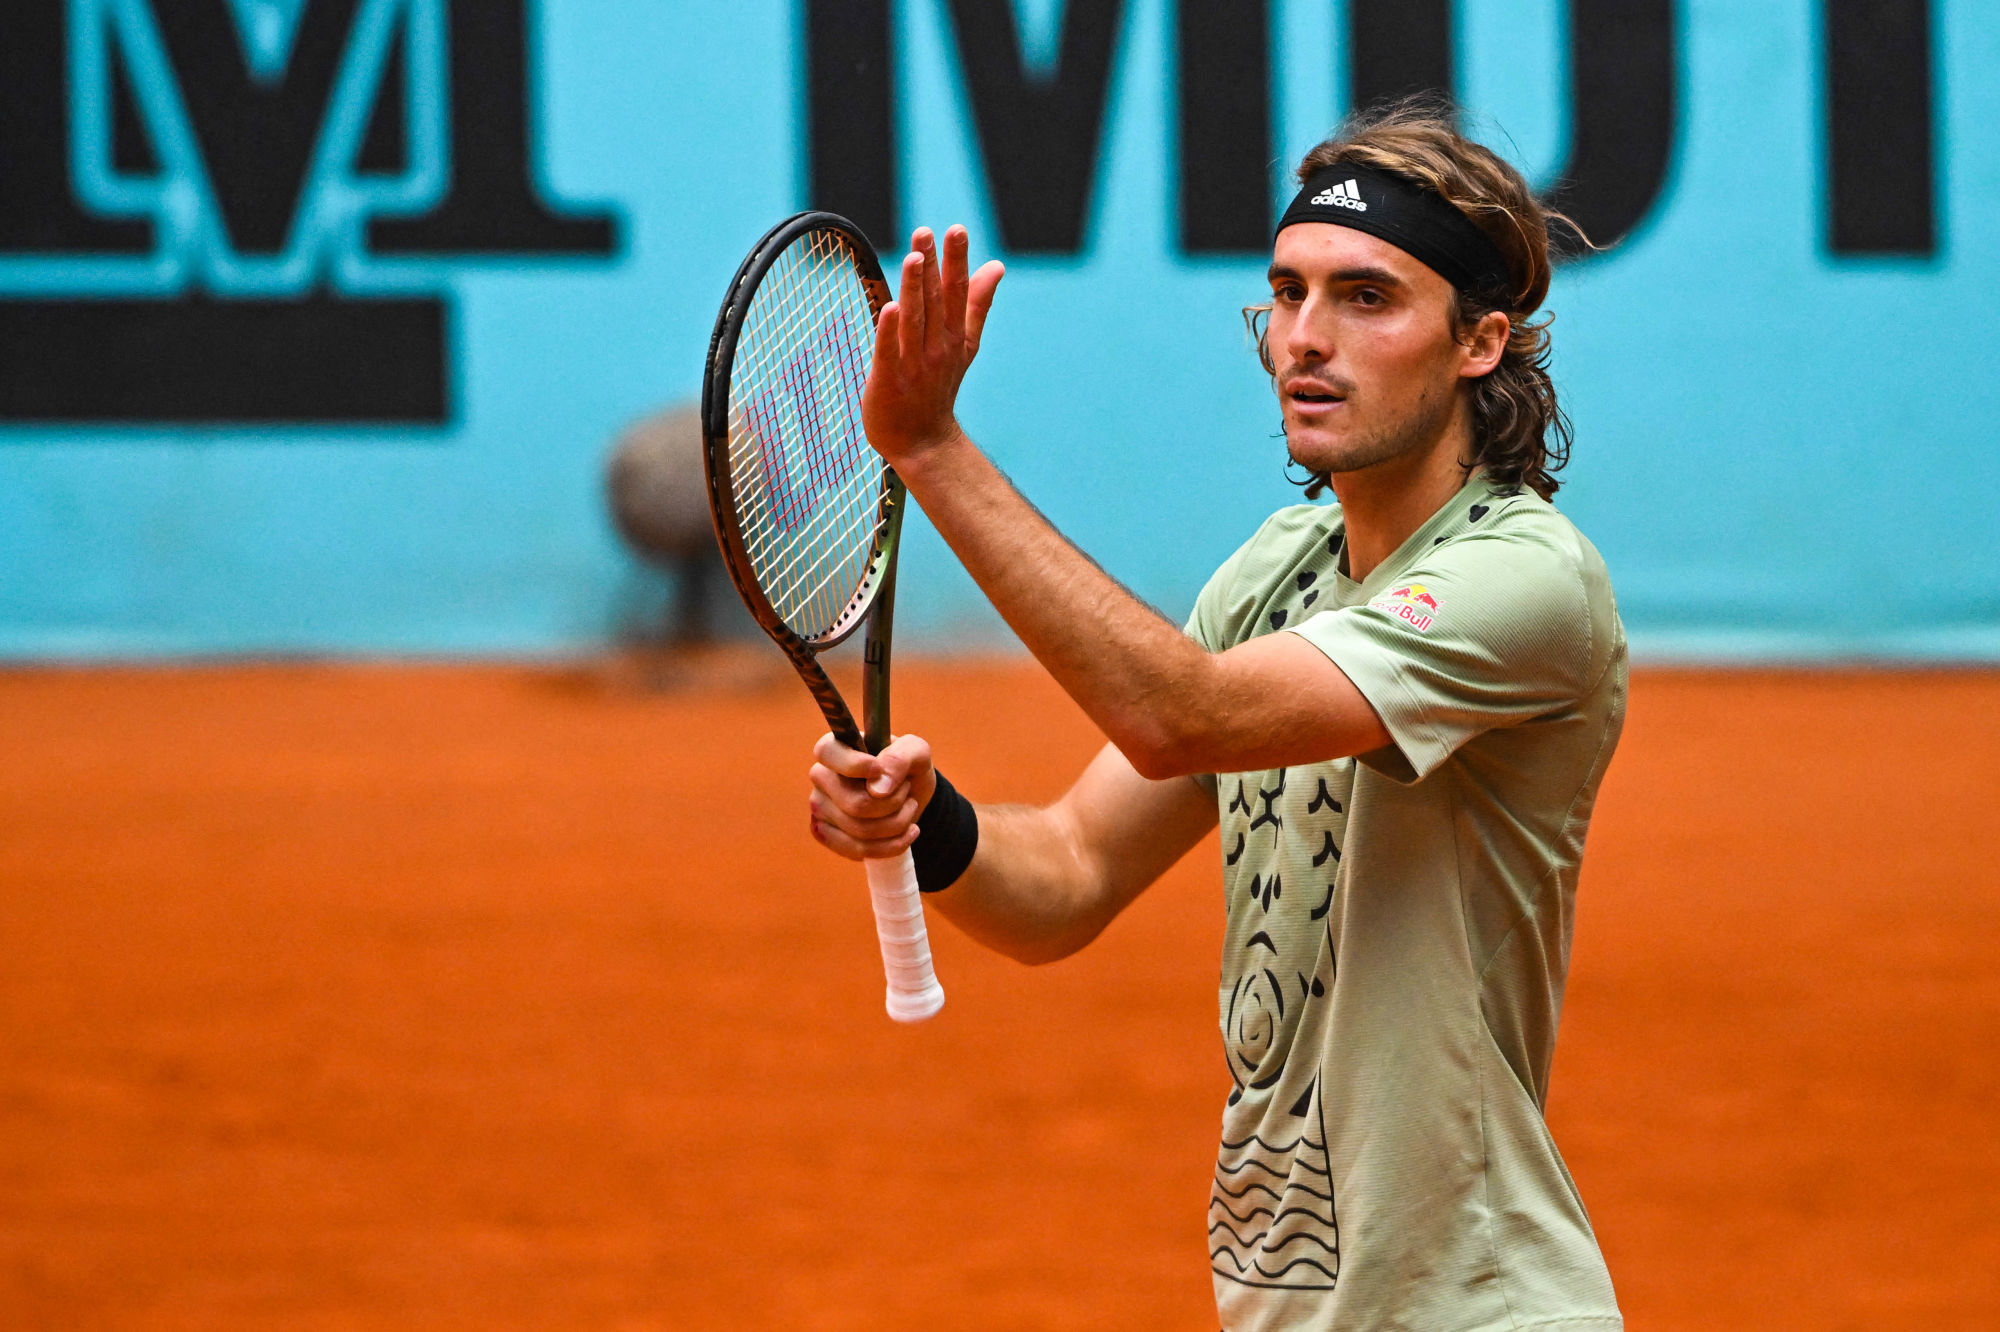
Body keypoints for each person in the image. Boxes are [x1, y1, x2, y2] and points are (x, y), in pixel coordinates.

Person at [807, 101, 1627, 1331]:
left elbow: (1176, 717)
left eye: (1365, 298)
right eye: (1286, 294)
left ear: (1478, 342)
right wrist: (930, 825)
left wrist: (930, 451)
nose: (1304, 338)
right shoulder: (1273, 577)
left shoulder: (1525, 578)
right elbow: (1070, 877)